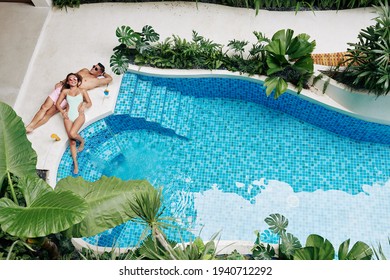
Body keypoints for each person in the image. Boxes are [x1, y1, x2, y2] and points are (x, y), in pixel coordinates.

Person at [25, 63, 112, 133]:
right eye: (93, 66)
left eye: (96, 69)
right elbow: (72, 76)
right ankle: (30, 125)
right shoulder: (84, 70)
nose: (93, 68)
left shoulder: (96, 81)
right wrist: (61, 82)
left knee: (49, 113)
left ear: (99, 73)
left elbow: (109, 79)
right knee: (44, 107)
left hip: (69, 96)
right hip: (62, 88)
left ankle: (33, 128)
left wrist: (103, 73)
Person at [56, 73, 92, 175]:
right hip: (68, 117)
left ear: (77, 80)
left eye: (74, 79)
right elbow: (58, 104)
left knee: (72, 134)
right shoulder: (65, 91)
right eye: (70, 79)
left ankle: (82, 141)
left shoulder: (82, 91)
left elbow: (89, 102)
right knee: (72, 142)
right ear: (67, 82)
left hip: (79, 116)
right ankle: (76, 164)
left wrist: (84, 106)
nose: (72, 80)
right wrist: (63, 112)